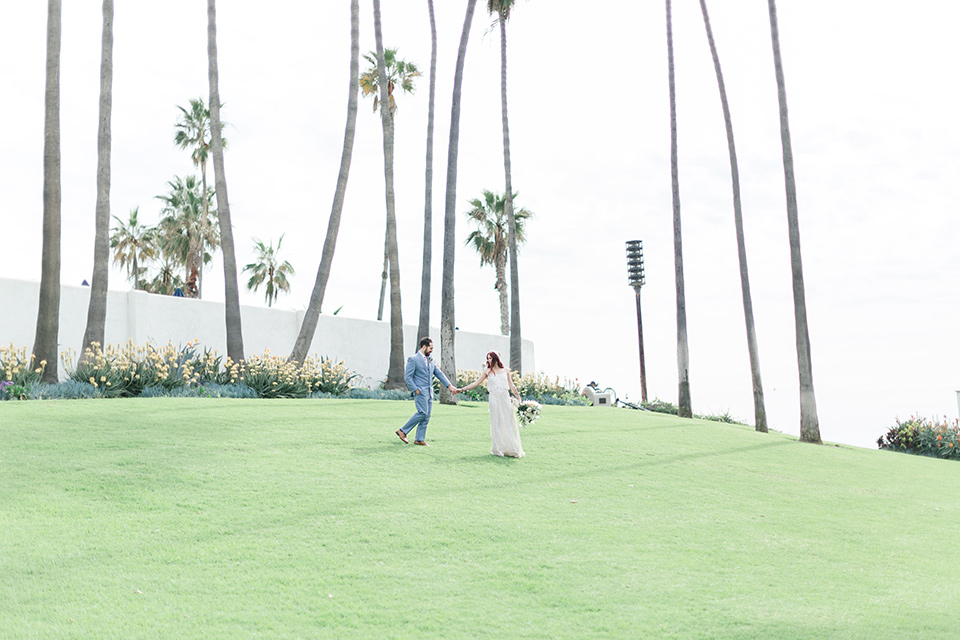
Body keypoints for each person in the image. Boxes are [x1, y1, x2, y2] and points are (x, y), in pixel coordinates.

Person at [458, 351, 525, 458]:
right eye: (487, 358)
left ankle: (511, 448)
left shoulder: (506, 370)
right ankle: (498, 449)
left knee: (507, 422)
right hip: (494, 399)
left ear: (496, 359)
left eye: (490, 358)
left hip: (505, 398)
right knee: (496, 423)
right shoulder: (487, 371)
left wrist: (518, 397)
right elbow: (475, 383)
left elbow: (511, 385)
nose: (488, 360)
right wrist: (461, 389)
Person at [396, 337, 458, 447]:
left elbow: (439, 374)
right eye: (430, 348)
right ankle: (403, 431)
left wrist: (450, 386)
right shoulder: (413, 359)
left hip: (429, 392)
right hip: (420, 391)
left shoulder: (431, 360)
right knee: (422, 413)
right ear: (424, 346)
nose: (432, 350)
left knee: (427, 416)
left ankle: (419, 439)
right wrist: (415, 389)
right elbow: (408, 377)